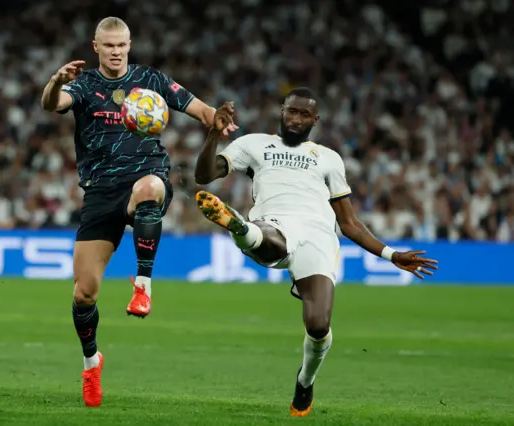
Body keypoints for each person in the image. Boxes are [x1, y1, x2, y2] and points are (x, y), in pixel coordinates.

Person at [194, 89, 438, 417]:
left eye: (303, 115)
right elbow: (203, 175)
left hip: (319, 236)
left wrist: (393, 255)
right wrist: (213, 133)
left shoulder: (328, 158)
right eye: (291, 111)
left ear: (315, 120)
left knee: (319, 324)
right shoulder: (254, 144)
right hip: (276, 222)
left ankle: (305, 382)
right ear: (281, 111)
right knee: (267, 242)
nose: (295, 119)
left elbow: (349, 223)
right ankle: (239, 227)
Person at [40, 17, 237, 407]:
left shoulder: (151, 80)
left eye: (122, 45)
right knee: (84, 293)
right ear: (96, 46)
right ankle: (91, 362)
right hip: (100, 192)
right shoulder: (83, 86)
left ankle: (142, 285)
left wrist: (219, 118)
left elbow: (199, 109)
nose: (116, 51)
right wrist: (55, 81)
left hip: (146, 176)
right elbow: (53, 104)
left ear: (130, 44)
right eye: (109, 45)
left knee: (150, 188)